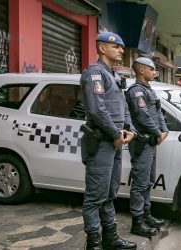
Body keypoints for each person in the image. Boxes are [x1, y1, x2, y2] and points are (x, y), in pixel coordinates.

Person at [80, 31, 137, 250]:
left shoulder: (112, 75)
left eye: (122, 47)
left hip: (115, 142)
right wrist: (115, 134)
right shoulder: (95, 73)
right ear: (102, 48)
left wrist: (129, 130)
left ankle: (110, 238)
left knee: (110, 193)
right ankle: (93, 242)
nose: (121, 50)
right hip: (102, 142)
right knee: (95, 196)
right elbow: (97, 109)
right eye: (116, 47)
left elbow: (122, 107)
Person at [125, 57, 169, 237]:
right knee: (140, 183)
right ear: (142, 70)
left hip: (151, 143)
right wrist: (158, 133)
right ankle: (137, 221)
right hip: (142, 143)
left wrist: (164, 130)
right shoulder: (136, 92)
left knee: (149, 181)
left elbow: (158, 112)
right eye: (152, 69)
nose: (154, 72)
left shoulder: (149, 90)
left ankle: (147, 215)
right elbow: (142, 116)